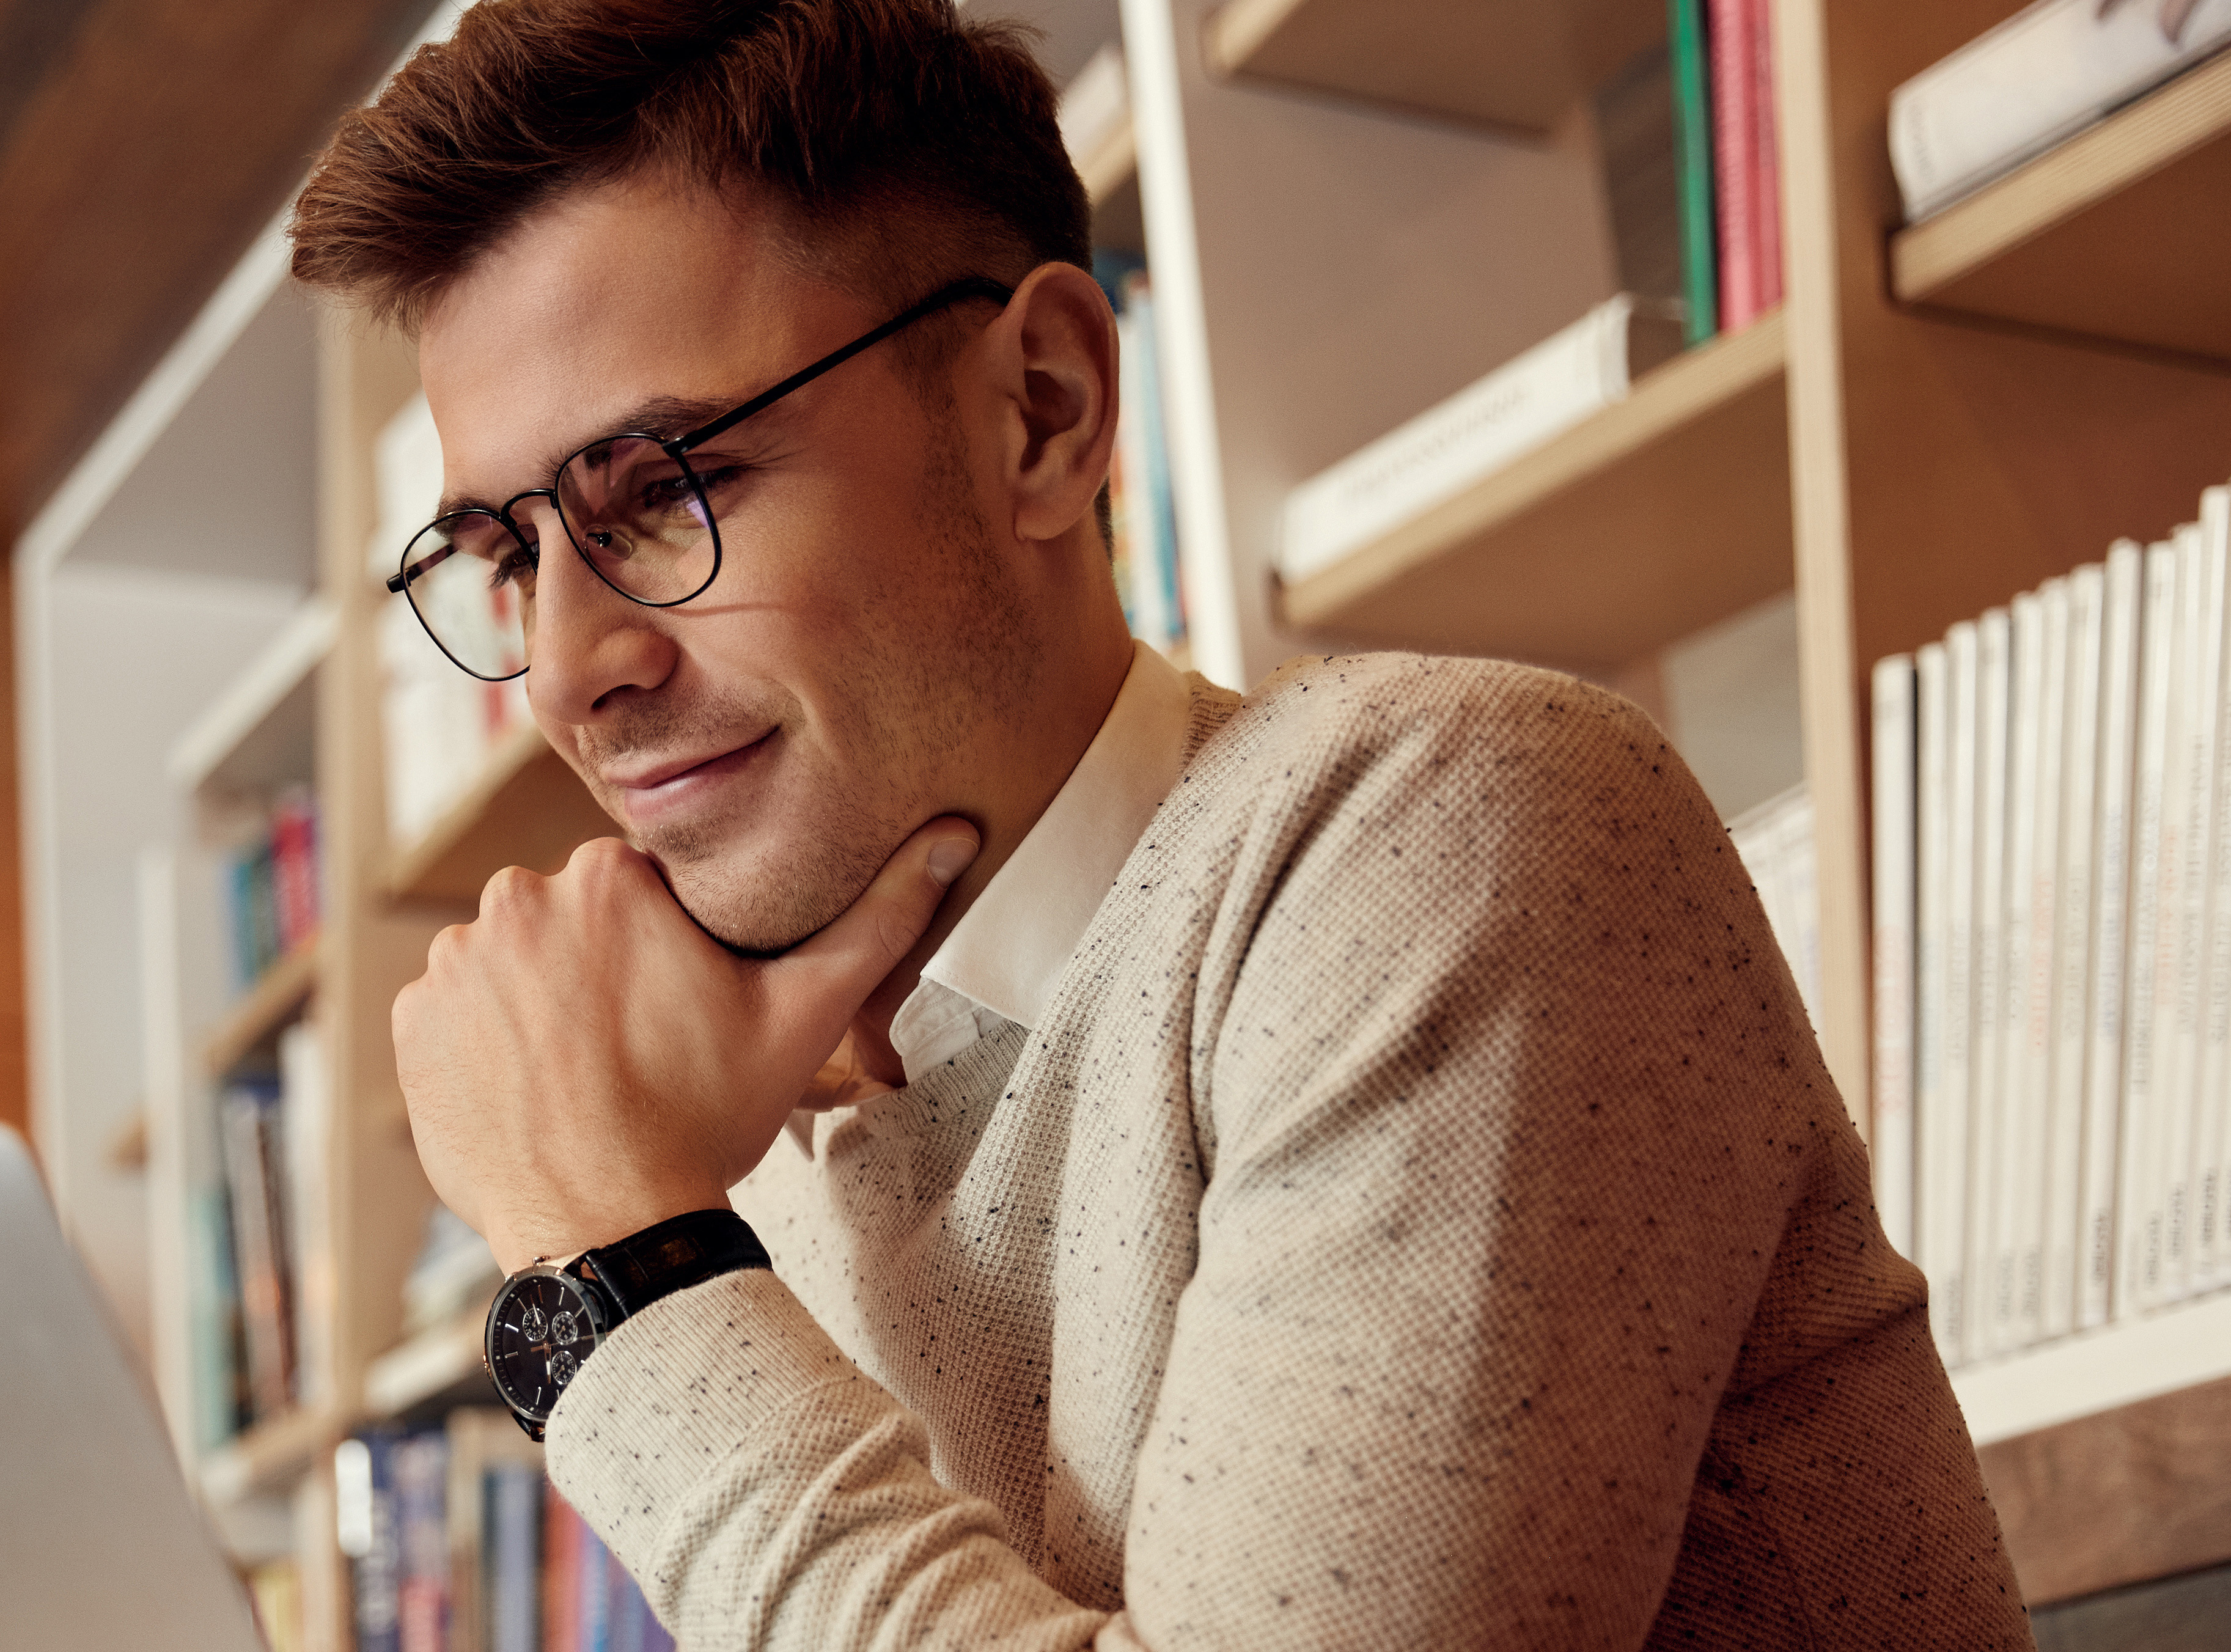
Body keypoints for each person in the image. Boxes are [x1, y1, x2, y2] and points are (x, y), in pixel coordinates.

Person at [289, 1, 2031, 1645]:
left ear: (1040, 410)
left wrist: (611, 1263)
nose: (568, 672)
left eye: (664, 492)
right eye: (508, 558)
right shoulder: (747, 1127)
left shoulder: (1443, 835)